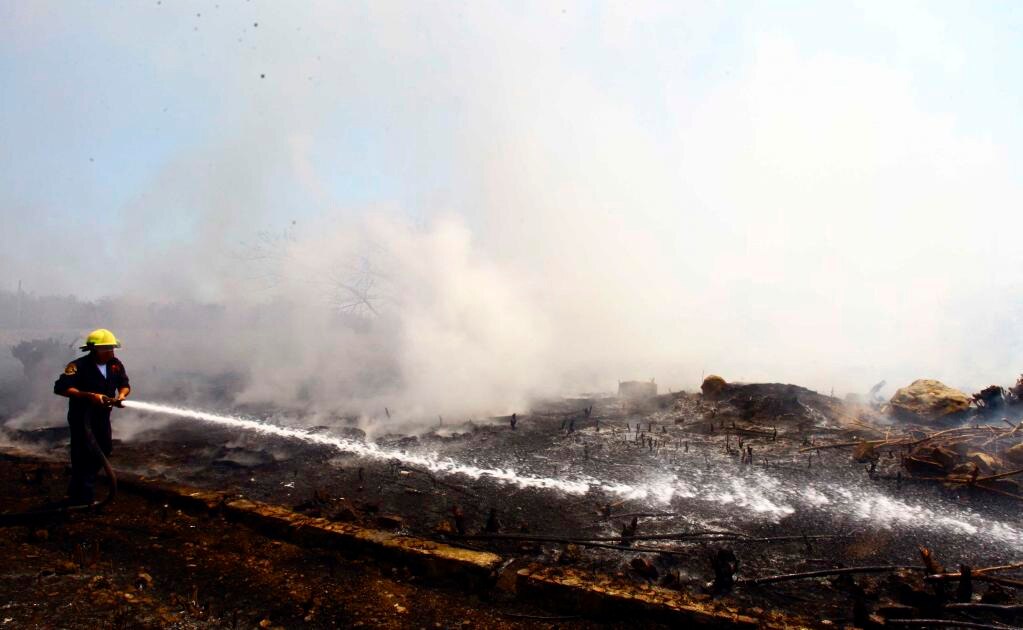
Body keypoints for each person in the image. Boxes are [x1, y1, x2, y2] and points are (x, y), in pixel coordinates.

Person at [53, 328, 131, 505]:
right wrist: (89, 396)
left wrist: (121, 396)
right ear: (94, 350)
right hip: (81, 417)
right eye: (106, 349)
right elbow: (61, 388)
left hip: (102, 417)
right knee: (82, 454)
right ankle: (84, 497)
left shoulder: (115, 364)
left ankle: (76, 490)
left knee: (104, 449)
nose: (111, 352)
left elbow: (124, 384)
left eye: (112, 348)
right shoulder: (77, 366)